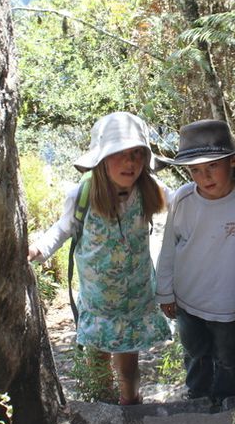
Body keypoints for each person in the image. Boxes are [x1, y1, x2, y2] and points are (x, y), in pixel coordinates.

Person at [28, 111, 170, 405]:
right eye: (119, 154)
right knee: (97, 361)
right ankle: (101, 408)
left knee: (128, 368)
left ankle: (131, 409)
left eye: (136, 154)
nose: (129, 163)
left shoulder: (148, 191)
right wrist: (39, 249)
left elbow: (183, 199)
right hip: (98, 300)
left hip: (133, 299)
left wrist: (221, 195)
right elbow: (63, 227)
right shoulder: (84, 194)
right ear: (102, 159)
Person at [155, 119, 235, 404]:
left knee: (228, 357)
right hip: (187, 297)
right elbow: (169, 247)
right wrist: (165, 291)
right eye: (195, 170)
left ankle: (227, 401)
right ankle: (197, 398)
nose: (204, 176)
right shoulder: (183, 199)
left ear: (233, 162)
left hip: (228, 301)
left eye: (212, 165)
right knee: (194, 352)